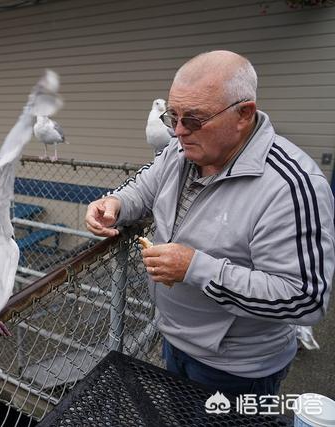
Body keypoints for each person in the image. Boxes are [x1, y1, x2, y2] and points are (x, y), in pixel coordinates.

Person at [85, 50, 334, 397]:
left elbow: (304, 298)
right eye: (173, 117)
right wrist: (115, 203)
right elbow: (144, 185)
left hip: (237, 369)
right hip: (174, 340)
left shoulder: (291, 187)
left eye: (195, 120)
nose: (179, 131)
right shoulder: (180, 151)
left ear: (243, 114)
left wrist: (195, 268)